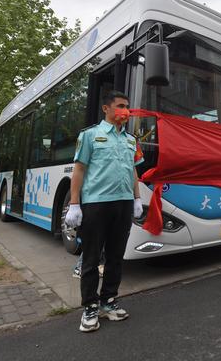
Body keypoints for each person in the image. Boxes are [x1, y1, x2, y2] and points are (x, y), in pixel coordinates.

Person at [64, 90, 144, 333]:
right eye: (120, 106)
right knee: (91, 257)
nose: (125, 111)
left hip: (124, 204)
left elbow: (133, 171)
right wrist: (74, 204)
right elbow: (79, 170)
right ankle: (90, 307)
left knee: (116, 257)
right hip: (96, 204)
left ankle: (108, 301)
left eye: (127, 106)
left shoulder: (131, 140)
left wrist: (137, 199)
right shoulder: (90, 135)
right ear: (106, 109)